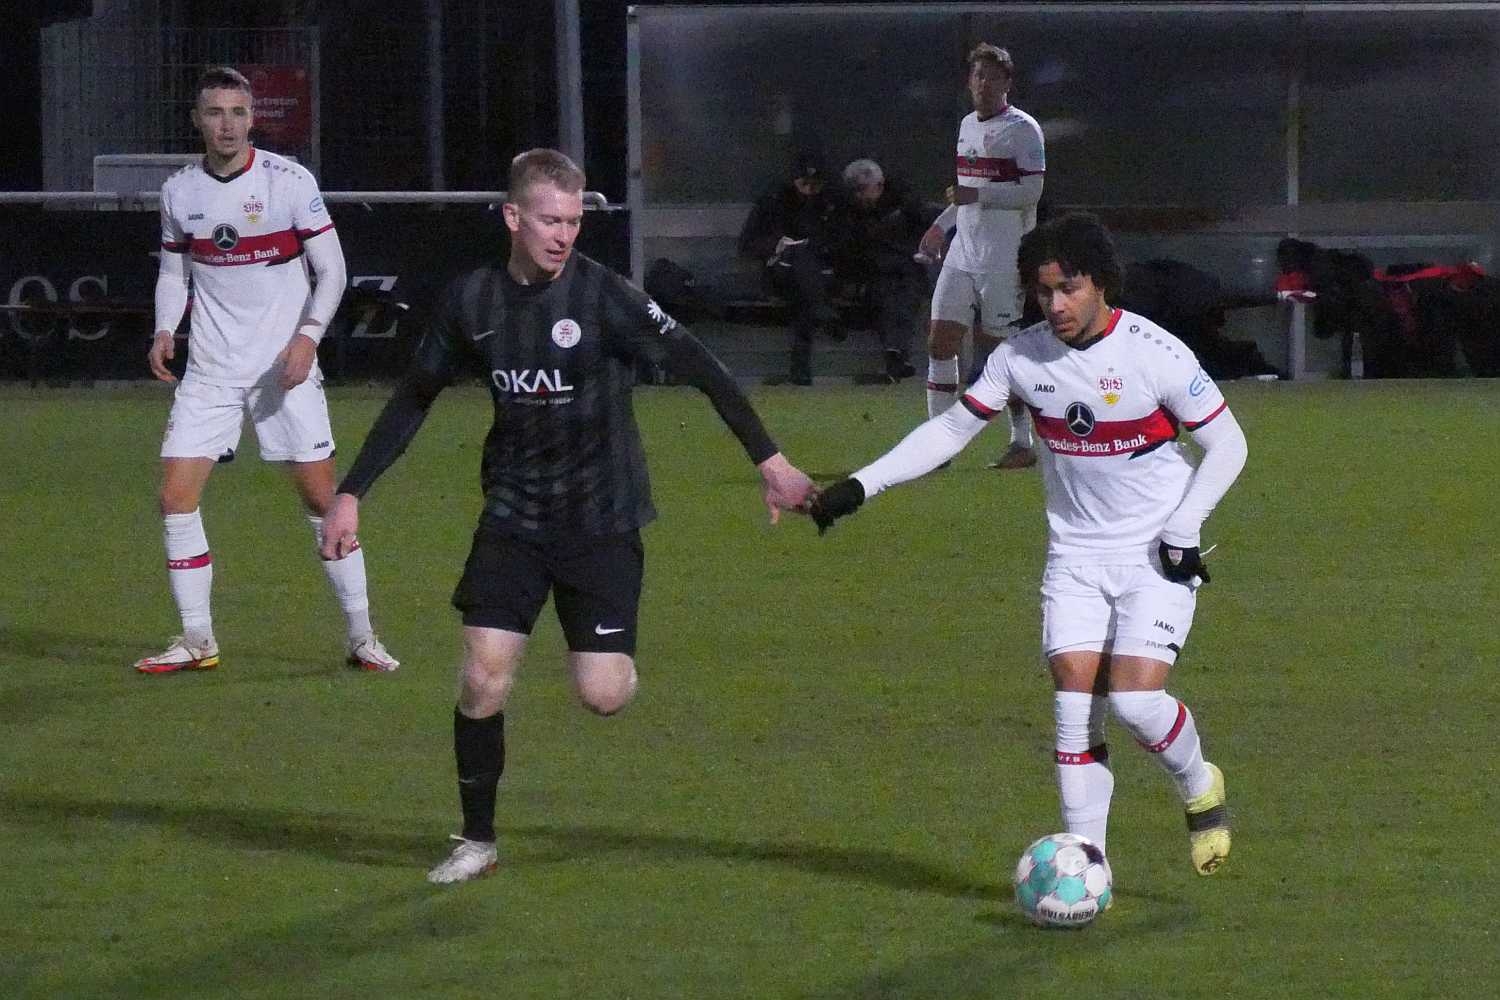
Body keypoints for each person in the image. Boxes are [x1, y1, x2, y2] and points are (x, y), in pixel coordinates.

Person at [319, 149, 816, 885]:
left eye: (574, 222)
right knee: (482, 679)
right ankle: (477, 840)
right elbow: (415, 395)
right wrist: (352, 491)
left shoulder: (605, 297)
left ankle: (603, 657)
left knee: (602, 694)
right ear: (512, 217)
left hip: (602, 519)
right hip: (514, 515)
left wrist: (770, 462)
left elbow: (701, 366)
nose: (563, 235)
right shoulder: (472, 301)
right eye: (550, 220)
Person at [812, 213, 1248, 876]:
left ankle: (1198, 782)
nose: (1056, 304)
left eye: (1069, 288)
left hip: (1154, 553)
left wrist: (1184, 529)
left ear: (1100, 283)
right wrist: (860, 486)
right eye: (1044, 291)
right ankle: (1089, 868)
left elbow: (1228, 444)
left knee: (1135, 703)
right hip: (1074, 558)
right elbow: (952, 431)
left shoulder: (1155, 354)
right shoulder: (1021, 358)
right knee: (1074, 710)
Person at [135, 66, 398, 675]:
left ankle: (362, 636)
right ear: (197, 120)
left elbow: (332, 271)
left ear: (252, 118)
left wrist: (307, 339)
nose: (226, 125)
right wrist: (165, 328)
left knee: (322, 502)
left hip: (284, 371)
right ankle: (198, 639)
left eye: (237, 112)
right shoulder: (179, 192)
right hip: (211, 372)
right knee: (175, 499)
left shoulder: (288, 182)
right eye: (214, 113)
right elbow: (174, 271)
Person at [918, 43, 1046, 469]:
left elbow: (1031, 192)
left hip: (1003, 257)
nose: (983, 83)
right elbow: (966, 193)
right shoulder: (966, 125)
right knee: (940, 341)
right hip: (963, 253)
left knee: (999, 356)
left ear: (1007, 82)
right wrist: (942, 225)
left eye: (991, 76)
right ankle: (939, 445)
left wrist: (977, 196)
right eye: (977, 75)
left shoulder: (1023, 130)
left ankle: (1022, 440)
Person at [739, 152, 840, 385]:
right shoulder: (774, 202)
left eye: (815, 185)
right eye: (805, 184)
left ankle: (801, 365)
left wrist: (818, 246)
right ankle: (822, 312)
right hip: (781, 272)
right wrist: (777, 245)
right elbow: (748, 243)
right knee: (802, 275)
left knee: (805, 294)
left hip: (819, 275)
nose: (810, 191)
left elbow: (842, 240)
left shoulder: (829, 204)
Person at [829, 158, 934, 383]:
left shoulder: (905, 203)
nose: (859, 196)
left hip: (907, 267)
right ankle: (895, 354)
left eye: (862, 190)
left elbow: (926, 223)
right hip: (873, 270)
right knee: (887, 297)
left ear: (879, 185)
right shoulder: (848, 211)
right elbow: (846, 247)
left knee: (905, 297)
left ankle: (895, 353)